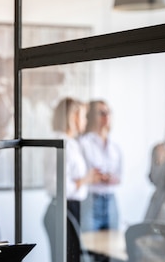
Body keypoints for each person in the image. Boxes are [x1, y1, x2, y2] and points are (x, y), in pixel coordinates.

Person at [43, 97, 103, 222]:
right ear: (73, 117)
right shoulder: (62, 144)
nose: (86, 121)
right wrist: (84, 180)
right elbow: (55, 186)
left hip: (72, 208)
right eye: (84, 116)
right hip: (64, 210)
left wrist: (88, 179)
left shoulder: (72, 143)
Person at [79, 100, 122, 231]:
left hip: (110, 200)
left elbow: (119, 176)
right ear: (91, 116)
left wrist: (111, 178)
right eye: (101, 113)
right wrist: (95, 177)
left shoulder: (114, 147)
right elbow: (81, 173)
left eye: (108, 112)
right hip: (91, 199)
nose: (106, 116)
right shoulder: (83, 143)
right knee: (89, 246)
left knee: (111, 246)